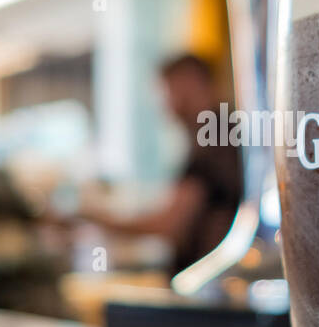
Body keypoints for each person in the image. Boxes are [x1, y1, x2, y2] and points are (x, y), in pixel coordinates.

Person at [85, 53, 242, 278]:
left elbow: (169, 224)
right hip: (210, 280)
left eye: (167, 90)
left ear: (190, 82)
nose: (164, 103)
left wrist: (95, 217)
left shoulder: (217, 138)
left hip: (210, 283)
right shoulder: (219, 132)